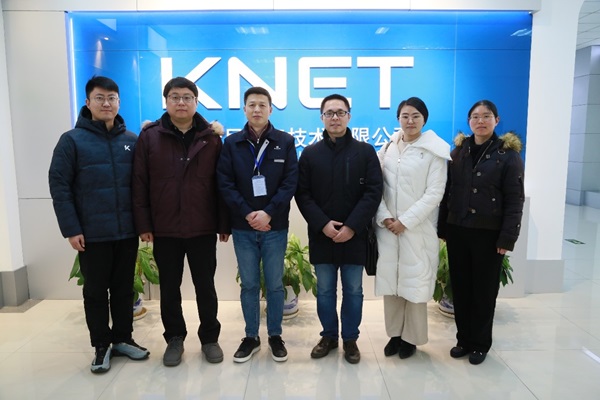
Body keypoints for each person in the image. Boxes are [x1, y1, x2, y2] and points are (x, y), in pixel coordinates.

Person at [49, 76, 150, 373]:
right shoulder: (71, 140)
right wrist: (71, 228)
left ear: (119, 102)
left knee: (123, 289)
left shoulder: (131, 140)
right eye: (100, 98)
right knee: (95, 292)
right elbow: (59, 186)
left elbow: (142, 186)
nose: (106, 103)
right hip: (92, 234)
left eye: (112, 98)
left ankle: (123, 338)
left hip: (126, 231)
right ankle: (101, 345)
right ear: (88, 102)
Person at [132, 77, 231, 366]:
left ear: (196, 102)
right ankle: (175, 338)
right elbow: (139, 183)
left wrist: (223, 223)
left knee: (205, 287)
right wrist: (144, 224)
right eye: (175, 97)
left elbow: (222, 185)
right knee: (169, 288)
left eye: (187, 97)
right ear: (166, 102)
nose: (181, 102)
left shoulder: (212, 138)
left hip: (202, 226)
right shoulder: (150, 137)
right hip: (165, 228)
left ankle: (209, 338)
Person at [295, 94, 383, 364]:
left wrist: (352, 226)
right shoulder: (310, 154)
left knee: (354, 290)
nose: (335, 117)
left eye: (340, 112)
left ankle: (351, 339)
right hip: (322, 235)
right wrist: (323, 224)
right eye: (329, 113)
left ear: (349, 116)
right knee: (324, 291)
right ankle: (329, 336)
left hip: (355, 236)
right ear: (322, 118)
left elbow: (373, 192)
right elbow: (303, 194)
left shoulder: (365, 152)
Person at [438, 99, 525, 365]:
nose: (480, 121)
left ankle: (480, 343)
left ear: (496, 120)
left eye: (486, 116)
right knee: (461, 287)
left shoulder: (507, 155)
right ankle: (463, 340)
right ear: (469, 122)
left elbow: (515, 199)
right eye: (475, 117)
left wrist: (507, 237)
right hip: (458, 230)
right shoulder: (458, 152)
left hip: (489, 234)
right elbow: (447, 192)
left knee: (484, 291)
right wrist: (443, 227)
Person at [217, 86, 298, 363]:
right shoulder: (232, 143)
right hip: (243, 227)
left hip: (275, 227)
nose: (257, 109)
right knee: (249, 285)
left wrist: (268, 213)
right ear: (244, 109)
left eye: (262, 105)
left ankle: (275, 335)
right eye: (251, 104)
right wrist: (249, 214)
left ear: (270, 109)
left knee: (274, 285)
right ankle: (251, 336)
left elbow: (290, 182)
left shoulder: (285, 141)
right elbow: (225, 183)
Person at [374, 97, 451, 359]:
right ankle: (395, 335)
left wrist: (405, 221)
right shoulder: (388, 146)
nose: (410, 121)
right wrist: (385, 217)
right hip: (388, 229)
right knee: (393, 282)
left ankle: (411, 339)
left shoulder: (434, 151)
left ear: (424, 119)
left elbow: (435, 193)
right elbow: (376, 185)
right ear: (398, 118)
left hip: (417, 229)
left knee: (415, 284)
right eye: (405, 116)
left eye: (415, 116)